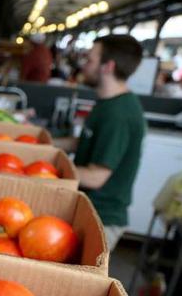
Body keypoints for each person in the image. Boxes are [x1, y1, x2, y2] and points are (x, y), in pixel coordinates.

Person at [55, 35, 146, 252]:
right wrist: (46, 146)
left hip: (101, 219)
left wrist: (50, 173)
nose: (84, 65)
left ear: (108, 66)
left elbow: (96, 177)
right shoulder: (108, 103)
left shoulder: (119, 113)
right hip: (90, 209)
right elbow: (84, 141)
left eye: (90, 60)